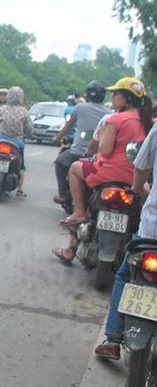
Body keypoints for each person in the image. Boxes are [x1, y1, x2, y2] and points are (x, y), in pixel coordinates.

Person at [53, 78, 153, 261]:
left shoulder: (115, 119)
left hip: (108, 173)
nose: (113, 97)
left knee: (75, 168)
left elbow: (105, 151)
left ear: (126, 99)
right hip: (135, 177)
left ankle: (80, 212)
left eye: (116, 94)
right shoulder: (148, 122)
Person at [94, 121, 157, 359]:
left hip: (152, 228)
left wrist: (137, 188)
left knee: (124, 274)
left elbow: (141, 166)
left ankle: (112, 339)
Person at [51, 81, 110, 208]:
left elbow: (68, 126)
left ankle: (63, 194)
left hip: (77, 153)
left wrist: (57, 138)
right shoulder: (109, 112)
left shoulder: (80, 107)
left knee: (60, 162)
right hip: (98, 155)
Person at [0, 86, 34, 197]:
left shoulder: (2, 109)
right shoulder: (24, 111)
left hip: (0, 140)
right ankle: (19, 190)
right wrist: (31, 135)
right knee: (21, 167)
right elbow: (29, 129)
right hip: (17, 143)